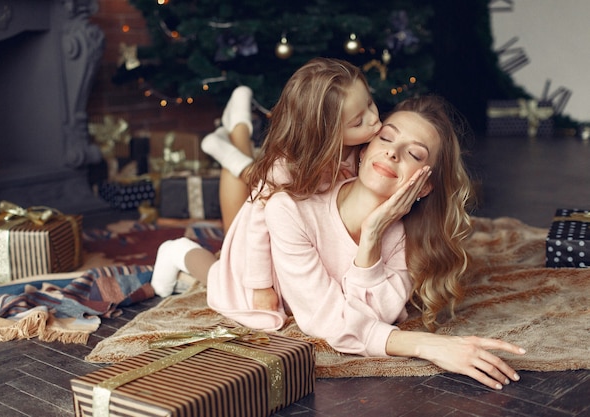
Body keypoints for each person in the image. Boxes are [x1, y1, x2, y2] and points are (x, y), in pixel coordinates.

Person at [151, 95, 527, 391]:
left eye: (414, 154)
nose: (393, 153)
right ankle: (179, 248)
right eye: (386, 138)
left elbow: (369, 319)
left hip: (290, 229)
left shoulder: (411, 243)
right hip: (264, 239)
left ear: (425, 186)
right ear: (363, 149)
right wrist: (427, 345)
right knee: (222, 277)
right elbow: (329, 321)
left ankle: (235, 132)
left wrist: (374, 237)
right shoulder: (292, 205)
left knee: (248, 196)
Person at [153, 57, 382, 305]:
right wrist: (261, 286)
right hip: (271, 245)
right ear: (324, 133)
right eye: (358, 121)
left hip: (306, 249)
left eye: (370, 103)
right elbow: (258, 225)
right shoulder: (288, 168)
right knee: (227, 284)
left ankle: (236, 135)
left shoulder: (371, 146)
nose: (373, 119)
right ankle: (177, 250)